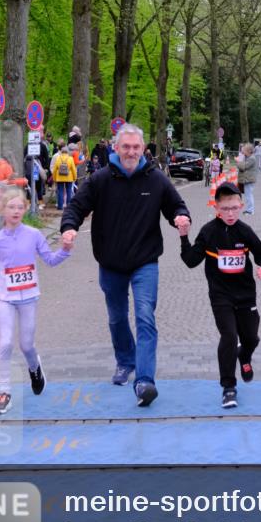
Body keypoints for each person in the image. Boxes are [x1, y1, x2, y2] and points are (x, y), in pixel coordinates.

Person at [60, 123, 191, 407]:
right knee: (117, 317)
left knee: (145, 316)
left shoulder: (155, 179)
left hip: (145, 261)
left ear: (143, 148)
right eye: (126, 147)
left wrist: (180, 217)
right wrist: (69, 227)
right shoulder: (101, 180)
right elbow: (75, 207)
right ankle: (124, 360)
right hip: (110, 262)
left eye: (136, 147)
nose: (131, 152)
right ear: (116, 148)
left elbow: (176, 205)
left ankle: (144, 381)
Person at [0, 188, 71, 415]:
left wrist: (64, 250)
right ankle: (4, 392)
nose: (16, 211)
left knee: (26, 345)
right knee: (5, 343)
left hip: (29, 297)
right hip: (6, 298)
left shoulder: (34, 234)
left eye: (20, 207)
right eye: (11, 207)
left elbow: (50, 259)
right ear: (3, 210)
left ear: (25, 209)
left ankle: (35, 369)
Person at [178, 182, 261, 409]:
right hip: (220, 295)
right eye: (225, 209)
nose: (230, 213)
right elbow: (191, 261)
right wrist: (184, 237)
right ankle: (228, 387)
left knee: (251, 338)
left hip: (246, 295)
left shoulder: (245, 232)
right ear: (216, 209)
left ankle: (245, 356)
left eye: (234, 208)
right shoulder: (209, 231)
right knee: (229, 337)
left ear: (241, 206)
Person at [51, 143, 77, 210]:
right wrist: (75, 177)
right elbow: (73, 169)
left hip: (59, 177)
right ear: (67, 151)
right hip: (69, 178)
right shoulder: (70, 158)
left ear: (61, 151)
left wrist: (54, 178)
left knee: (60, 191)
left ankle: (60, 206)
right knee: (69, 191)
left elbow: (55, 169)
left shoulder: (58, 158)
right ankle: (69, 206)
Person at [236, 143, 257, 215]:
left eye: (244, 150)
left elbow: (243, 166)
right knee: (248, 195)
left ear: (248, 151)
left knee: (249, 195)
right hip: (247, 179)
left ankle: (250, 210)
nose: (243, 152)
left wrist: (238, 162)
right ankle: (249, 209)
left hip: (249, 180)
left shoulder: (252, 158)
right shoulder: (247, 157)